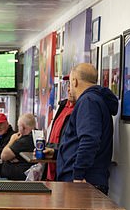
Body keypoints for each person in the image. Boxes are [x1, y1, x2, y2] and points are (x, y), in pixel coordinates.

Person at [48, 62, 118, 194]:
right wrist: (57, 153)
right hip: (84, 181)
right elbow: (78, 143)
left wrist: (78, 175)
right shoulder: (93, 100)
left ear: (74, 81)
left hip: (82, 183)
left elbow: (89, 140)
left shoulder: (88, 101)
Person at [44, 78, 75, 181]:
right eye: (69, 85)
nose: (70, 89)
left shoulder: (79, 110)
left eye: (73, 85)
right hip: (52, 167)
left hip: (66, 170)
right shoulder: (62, 106)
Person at [0, 113, 37, 181]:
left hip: (16, 180)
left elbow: (3, 156)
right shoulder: (35, 137)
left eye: (18, 126)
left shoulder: (24, 141)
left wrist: (12, 140)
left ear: (23, 127)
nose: (18, 129)